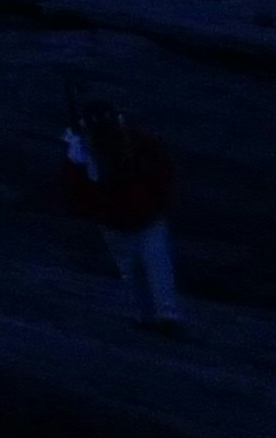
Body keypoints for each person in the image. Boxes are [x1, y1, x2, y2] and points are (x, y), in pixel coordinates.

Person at [55, 101, 181, 327]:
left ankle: (159, 315)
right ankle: (159, 315)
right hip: (129, 217)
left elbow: (76, 188)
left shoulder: (94, 149)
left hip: (130, 217)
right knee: (147, 267)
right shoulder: (132, 143)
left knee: (144, 267)